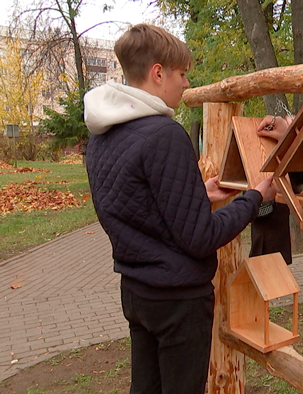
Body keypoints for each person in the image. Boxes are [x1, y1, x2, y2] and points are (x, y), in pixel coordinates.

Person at [83, 24, 276, 394]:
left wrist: (195, 195)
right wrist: (254, 199)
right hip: (176, 304)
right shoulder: (163, 134)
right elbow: (201, 238)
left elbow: (134, 204)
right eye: (182, 74)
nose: (187, 84)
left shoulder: (103, 135)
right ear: (158, 73)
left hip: (137, 293)